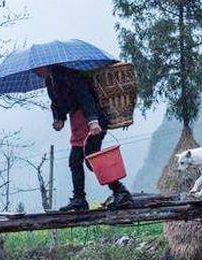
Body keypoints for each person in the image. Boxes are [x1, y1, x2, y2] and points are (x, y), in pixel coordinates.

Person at [34, 65, 133, 211]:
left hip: (91, 120)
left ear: (45, 65)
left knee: (90, 159)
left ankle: (119, 191)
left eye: (37, 68)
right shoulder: (50, 81)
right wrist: (59, 118)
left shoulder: (69, 74)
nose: (35, 72)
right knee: (79, 160)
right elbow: (57, 104)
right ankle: (82, 198)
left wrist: (93, 121)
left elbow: (85, 96)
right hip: (77, 122)